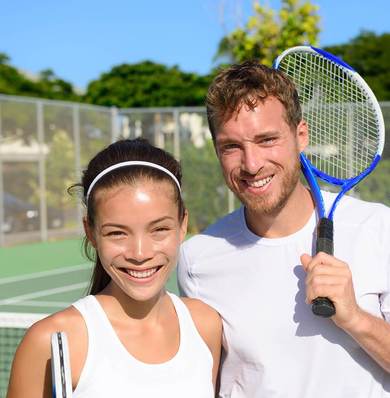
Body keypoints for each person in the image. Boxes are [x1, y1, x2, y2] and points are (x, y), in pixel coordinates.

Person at [177, 59, 390, 398]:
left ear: (300, 135)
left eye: (267, 139)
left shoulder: (378, 227)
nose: (251, 164)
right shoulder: (197, 259)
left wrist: (357, 320)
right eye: (231, 146)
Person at [7, 137, 222, 398]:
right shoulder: (49, 340)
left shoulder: (205, 324)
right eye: (117, 233)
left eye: (160, 229)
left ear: (182, 224)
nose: (140, 253)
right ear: (91, 233)